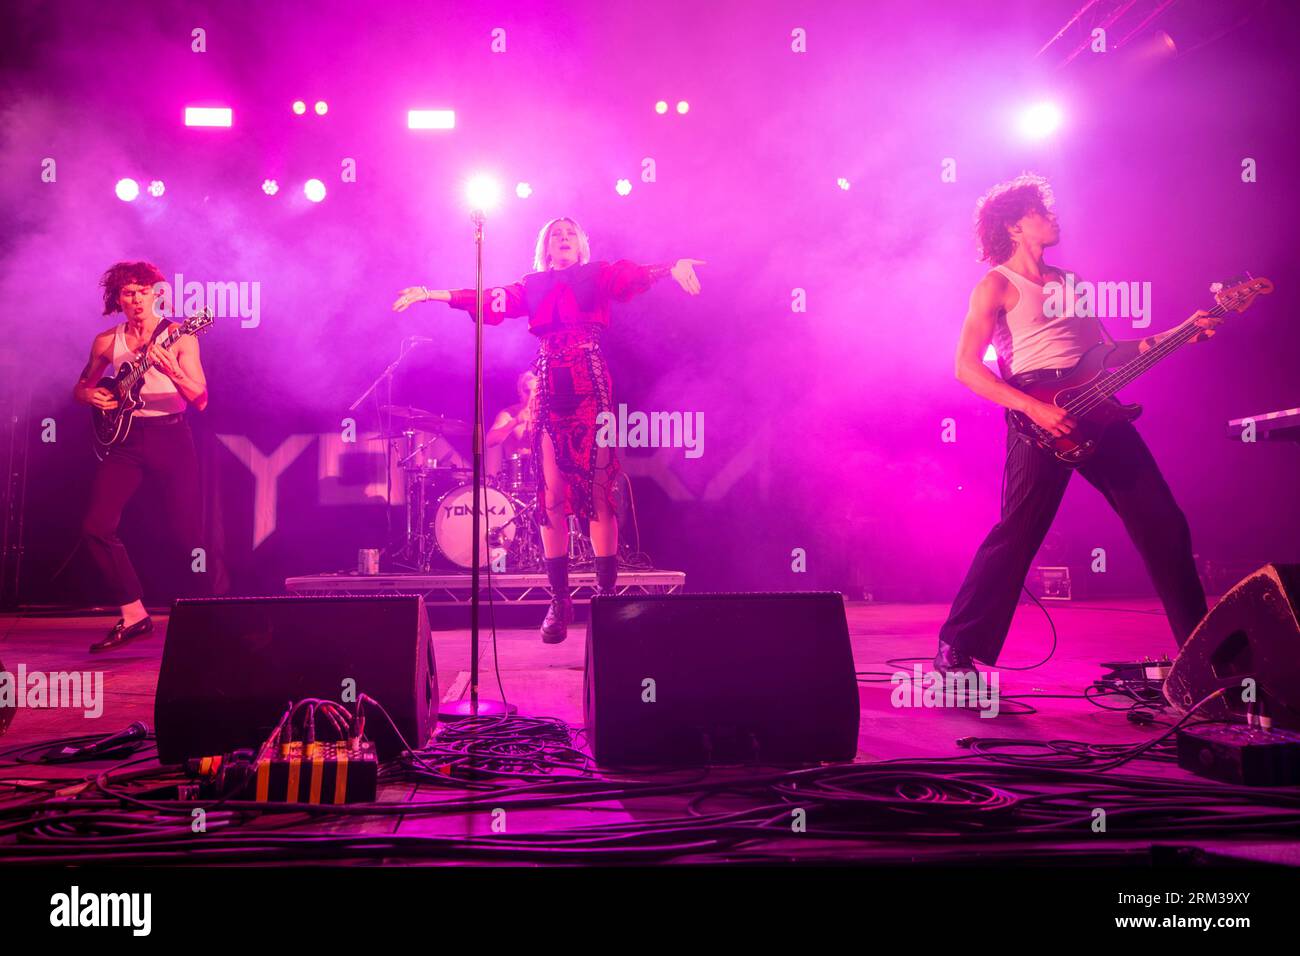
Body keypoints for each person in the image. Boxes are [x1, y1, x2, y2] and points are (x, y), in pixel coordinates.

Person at [936, 175, 1215, 675]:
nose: (1054, 216)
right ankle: (955, 648)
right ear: (1016, 225)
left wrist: (1182, 332)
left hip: (1099, 406)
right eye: (1043, 211)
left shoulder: (1074, 283)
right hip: (1039, 412)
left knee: (1164, 522)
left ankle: (1203, 657)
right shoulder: (997, 284)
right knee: (1018, 533)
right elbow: (966, 366)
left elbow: (1109, 353)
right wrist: (1033, 408)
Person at [394, 217, 704, 642]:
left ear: (581, 246)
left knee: (597, 492)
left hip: (588, 380)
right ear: (545, 247)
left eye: (570, 233)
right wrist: (432, 295)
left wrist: (670, 267)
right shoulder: (533, 285)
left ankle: (606, 596)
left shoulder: (598, 274)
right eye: (555, 234)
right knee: (551, 496)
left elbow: (630, 276)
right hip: (547, 381)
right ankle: (559, 599)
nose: (563, 238)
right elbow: (489, 298)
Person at [74, 261, 209, 653]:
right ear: (118, 298)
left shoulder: (180, 335)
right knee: (95, 527)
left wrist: (174, 373)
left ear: (156, 294)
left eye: (142, 292)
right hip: (126, 440)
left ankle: (205, 621)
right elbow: (82, 386)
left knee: (187, 537)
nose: (136, 300)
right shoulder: (106, 341)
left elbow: (200, 399)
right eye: (128, 293)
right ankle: (134, 614)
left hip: (171, 436)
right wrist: (88, 395)